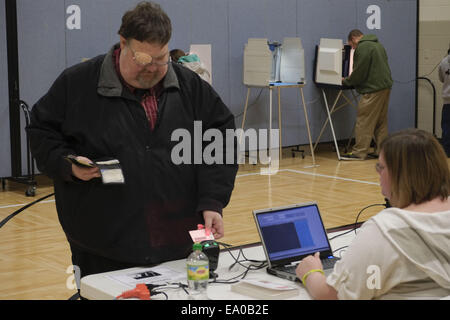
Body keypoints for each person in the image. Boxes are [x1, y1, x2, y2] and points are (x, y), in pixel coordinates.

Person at [27, 1, 238, 280]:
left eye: (161, 59)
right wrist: (68, 165)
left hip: (177, 242)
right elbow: (42, 132)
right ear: (122, 43)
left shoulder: (191, 88)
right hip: (102, 246)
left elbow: (220, 139)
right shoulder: (76, 84)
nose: (151, 69)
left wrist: (212, 200)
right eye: (142, 60)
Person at [296, 128, 450, 299]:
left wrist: (311, 272)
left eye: (381, 167)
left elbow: (332, 295)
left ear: (398, 174)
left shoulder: (385, 230)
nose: (377, 173)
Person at [341, 29, 393, 161]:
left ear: (353, 39)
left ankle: (359, 152)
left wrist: (347, 81)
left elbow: (359, 71)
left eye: (352, 46)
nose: (353, 48)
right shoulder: (378, 45)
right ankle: (381, 151)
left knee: (364, 119)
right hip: (385, 87)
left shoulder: (363, 47)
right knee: (381, 122)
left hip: (373, 89)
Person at [439, 44, 450, 157]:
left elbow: (441, 78)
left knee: (447, 127)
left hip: (448, 100)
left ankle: (447, 151)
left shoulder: (443, 62)